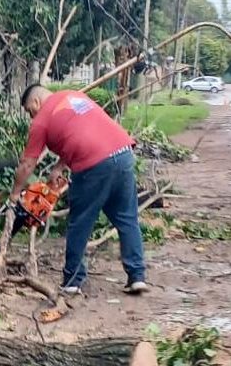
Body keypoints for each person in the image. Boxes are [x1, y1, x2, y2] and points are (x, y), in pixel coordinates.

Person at [9, 84, 148, 297]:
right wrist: (59, 167)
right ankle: (137, 277)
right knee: (126, 218)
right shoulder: (74, 96)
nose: (31, 116)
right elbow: (82, 132)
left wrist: (15, 194)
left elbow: (28, 163)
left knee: (80, 222)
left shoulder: (41, 120)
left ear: (36, 102)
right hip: (122, 153)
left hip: (94, 166)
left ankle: (73, 281)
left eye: (29, 111)